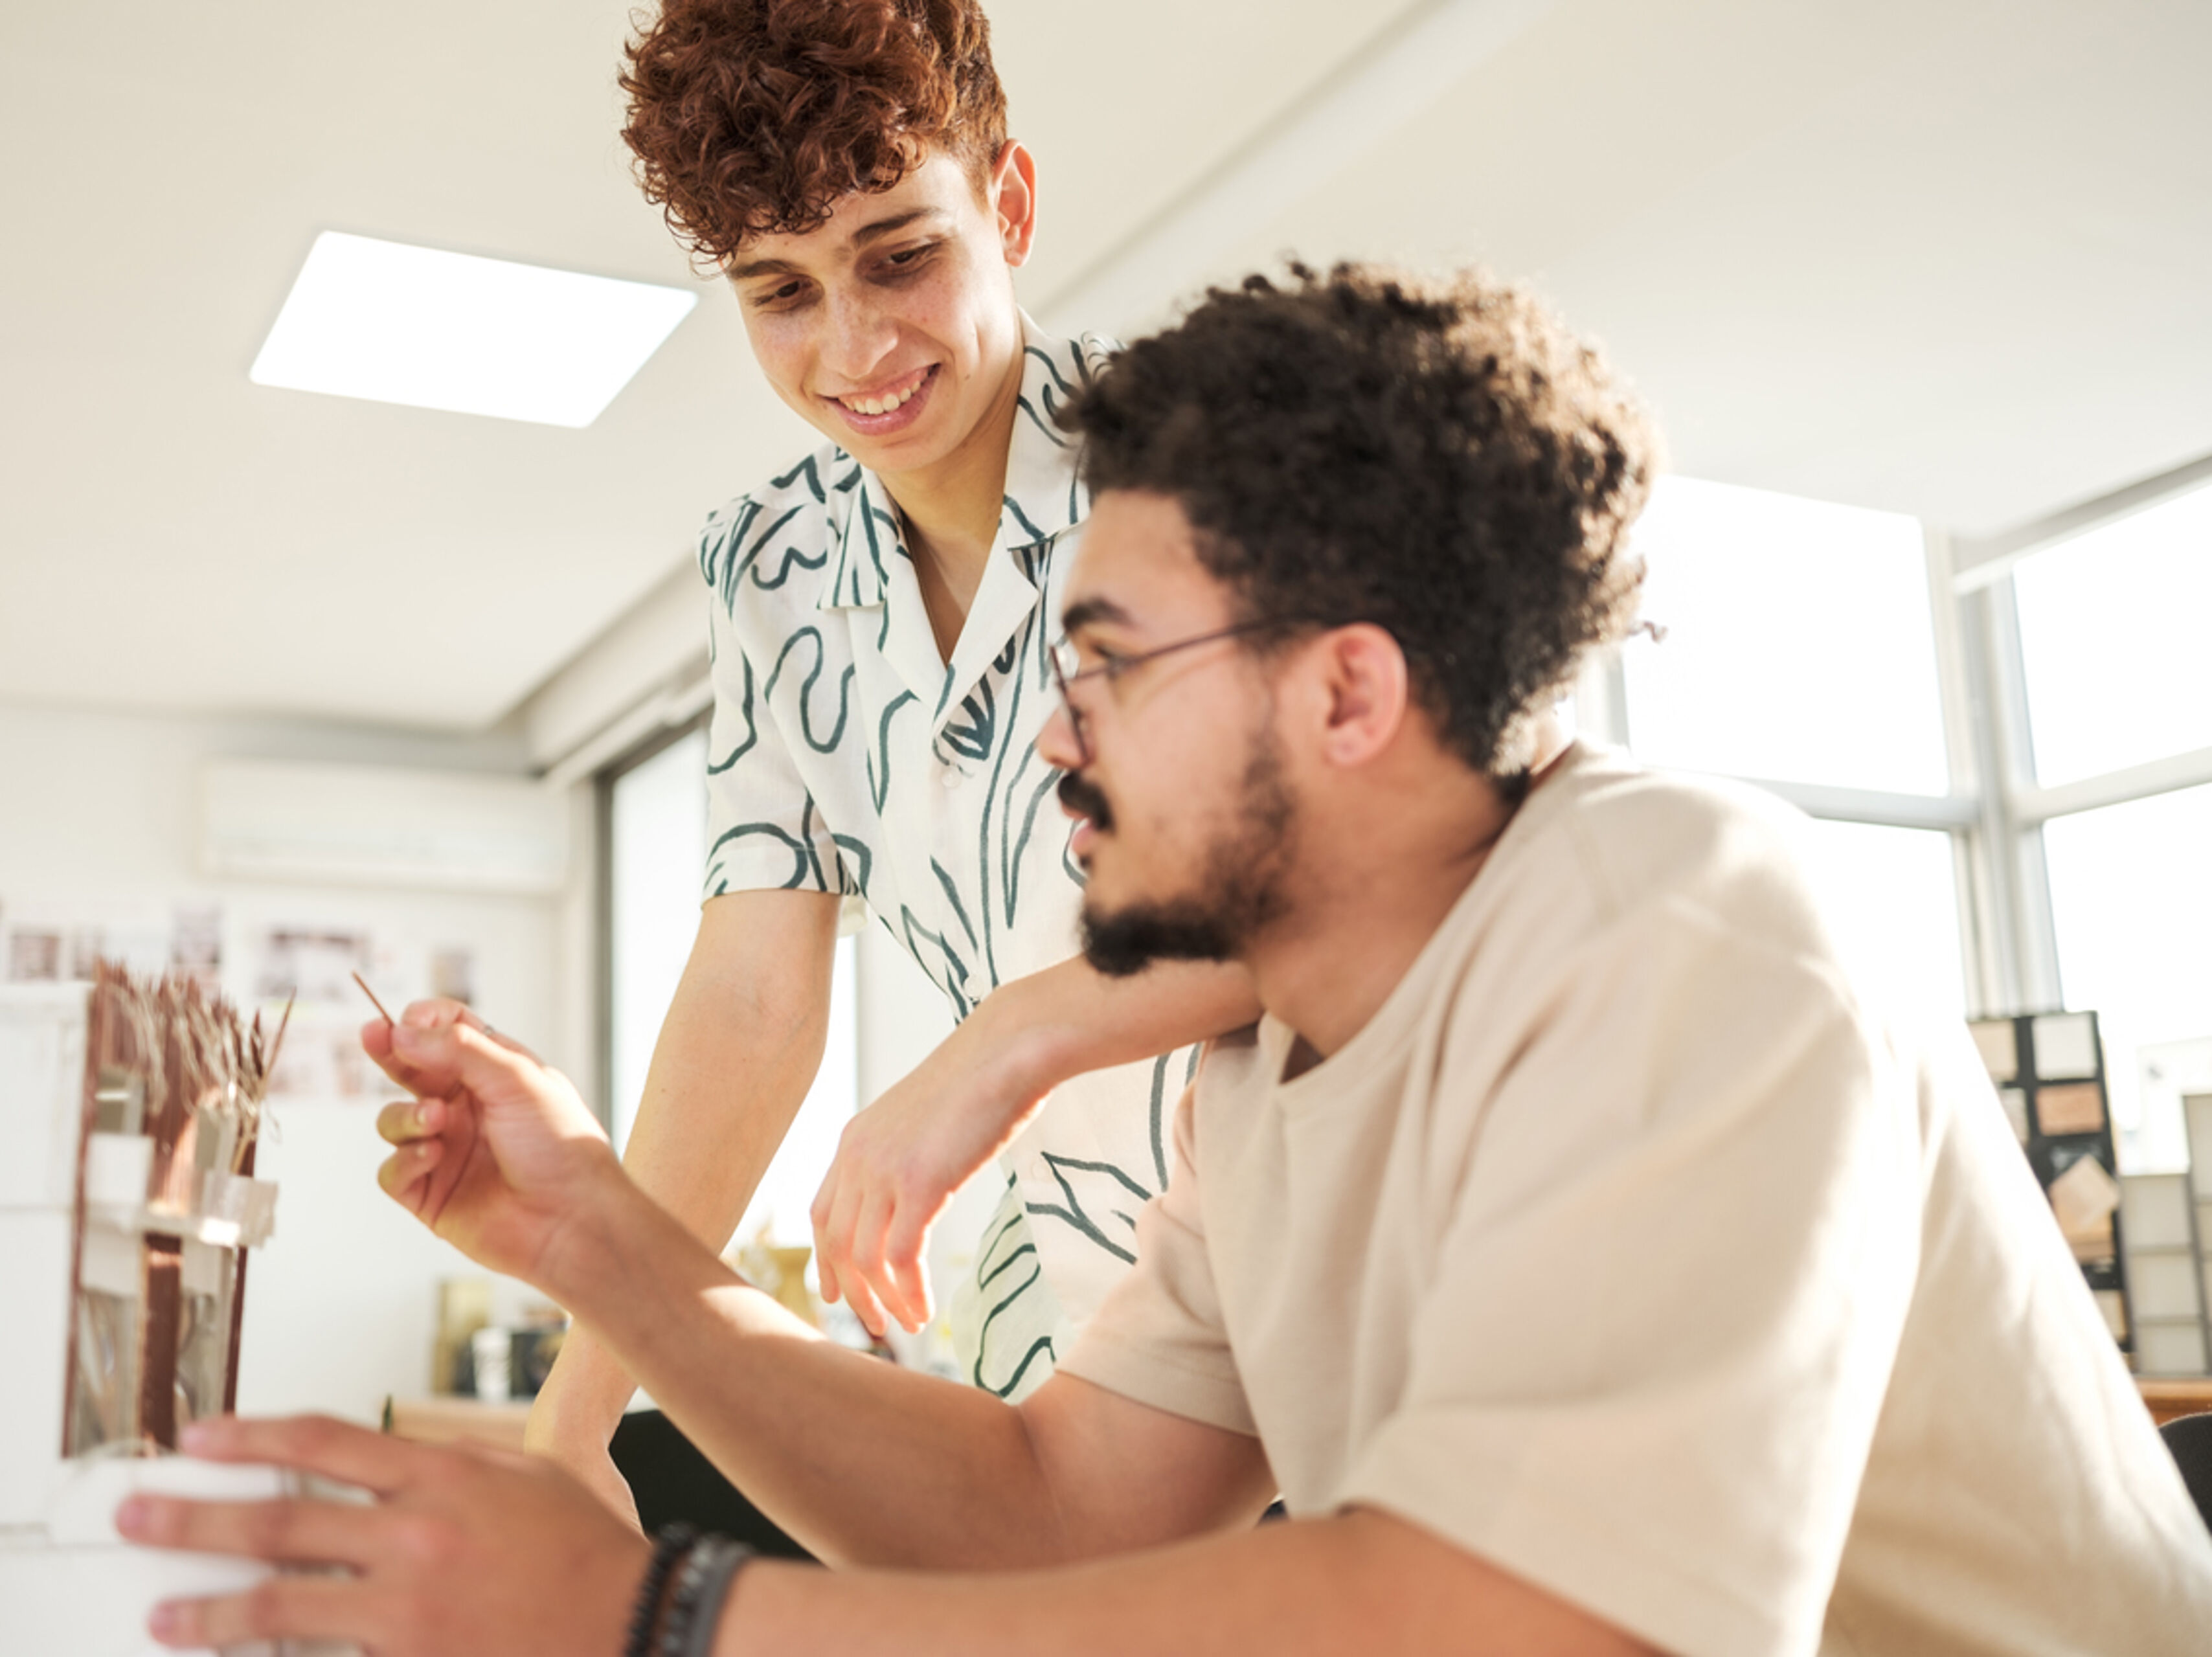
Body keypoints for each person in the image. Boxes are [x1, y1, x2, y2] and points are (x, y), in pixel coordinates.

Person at [124, 265, 2212, 1655]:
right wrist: (608, 1247)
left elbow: (1512, 1625)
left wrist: (658, 1618)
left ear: (1350, 694)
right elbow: (1056, 1518)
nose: (1056, 729)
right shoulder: (1272, 1072)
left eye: (1109, 663)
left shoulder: (1682, 924)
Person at [528, 0, 1259, 1517]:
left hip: (1279, 1324)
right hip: (1018, 1377)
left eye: (899, 254)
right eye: (780, 289)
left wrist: (1002, 1039)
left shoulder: (1207, 461)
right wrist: (574, 1421)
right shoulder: (772, 571)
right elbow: (750, 994)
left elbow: (1347, 890)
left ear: (1010, 203)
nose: (856, 347)